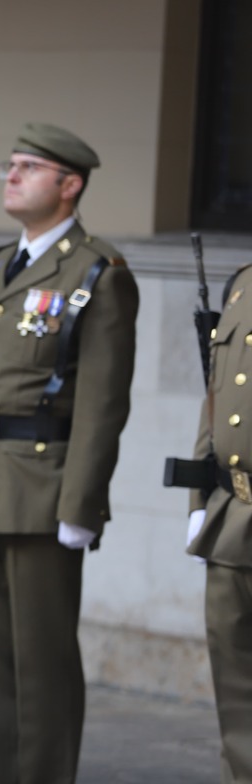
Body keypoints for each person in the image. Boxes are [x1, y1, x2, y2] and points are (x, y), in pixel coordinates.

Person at [0, 123, 139, 782]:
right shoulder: (3, 263)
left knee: (42, 661)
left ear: (69, 185)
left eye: (29, 166)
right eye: (10, 165)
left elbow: (103, 401)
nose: (12, 175)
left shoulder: (97, 271)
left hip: (41, 487)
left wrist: (82, 503)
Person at [186, 262, 252, 780]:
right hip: (233, 519)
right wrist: (198, 502)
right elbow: (215, 401)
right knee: (237, 704)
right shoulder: (244, 281)